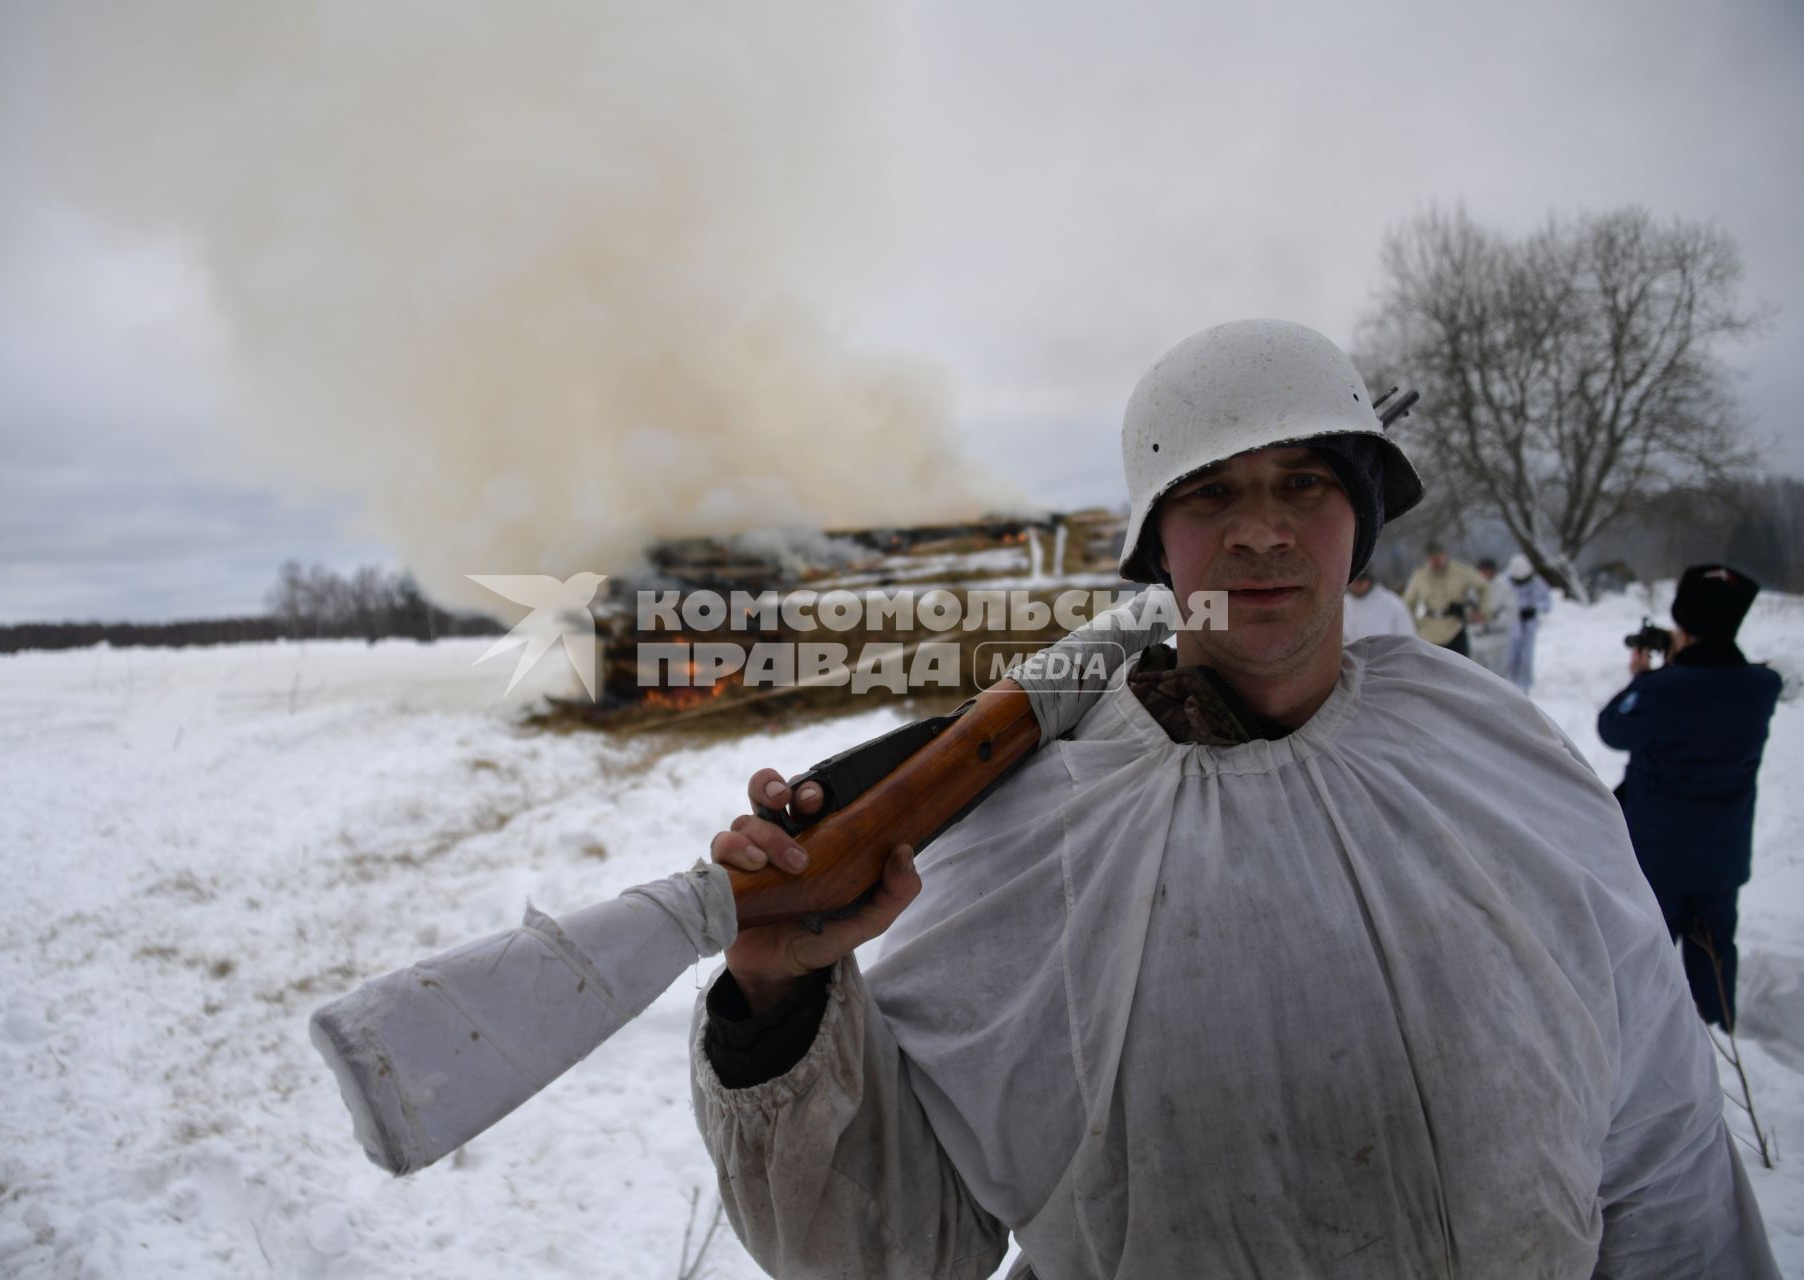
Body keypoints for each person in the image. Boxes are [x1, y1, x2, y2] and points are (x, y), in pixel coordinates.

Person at [692, 320, 1775, 1278]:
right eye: (1212, 491)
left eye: (1305, 480)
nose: (1262, 532)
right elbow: (897, 1249)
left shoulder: (1498, 753)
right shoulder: (1034, 831)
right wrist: (777, 1004)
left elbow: (1665, 1153)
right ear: (1158, 541)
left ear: (1361, 516)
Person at [1597, 565, 1781, 1031]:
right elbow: (1724, 682)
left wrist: (1642, 679)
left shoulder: (1663, 691)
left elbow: (1612, 727)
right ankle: (1722, 1047)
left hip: (1658, 858)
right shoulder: (1761, 688)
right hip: (1722, 858)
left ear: (1686, 626)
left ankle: (1644, 1051)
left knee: (1645, 965)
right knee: (1715, 961)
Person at [1402, 540, 1488, 656]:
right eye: (1433, 558)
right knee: (1432, 670)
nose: (1436, 561)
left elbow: (1484, 587)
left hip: (1455, 629)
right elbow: (1408, 602)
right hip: (1429, 631)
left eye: (1439, 556)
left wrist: (1483, 611)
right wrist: (1412, 625)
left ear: (1445, 554)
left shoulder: (1460, 571)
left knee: (1461, 668)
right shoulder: (1420, 575)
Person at [1503, 553, 1554, 693]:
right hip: (1511, 624)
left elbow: (1547, 603)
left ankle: (1524, 685)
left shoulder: (1536, 582)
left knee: (1526, 655)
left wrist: (1533, 609)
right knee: (1509, 654)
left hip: (1528, 624)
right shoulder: (1505, 581)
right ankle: (1506, 684)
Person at [1468, 557, 1514, 677]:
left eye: (1487, 570)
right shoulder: (1472, 588)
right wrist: (1472, 616)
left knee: (1497, 677)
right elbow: (1466, 607)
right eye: (1481, 570)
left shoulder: (1504, 587)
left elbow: (1511, 613)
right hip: (1477, 638)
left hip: (1497, 638)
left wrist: (1491, 619)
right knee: (1476, 675)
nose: (1484, 573)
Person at [1341, 570, 1415, 643]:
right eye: (1353, 582)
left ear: (1369, 580)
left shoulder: (1392, 604)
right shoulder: (1342, 604)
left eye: (1360, 582)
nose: (1355, 586)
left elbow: (1408, 640)